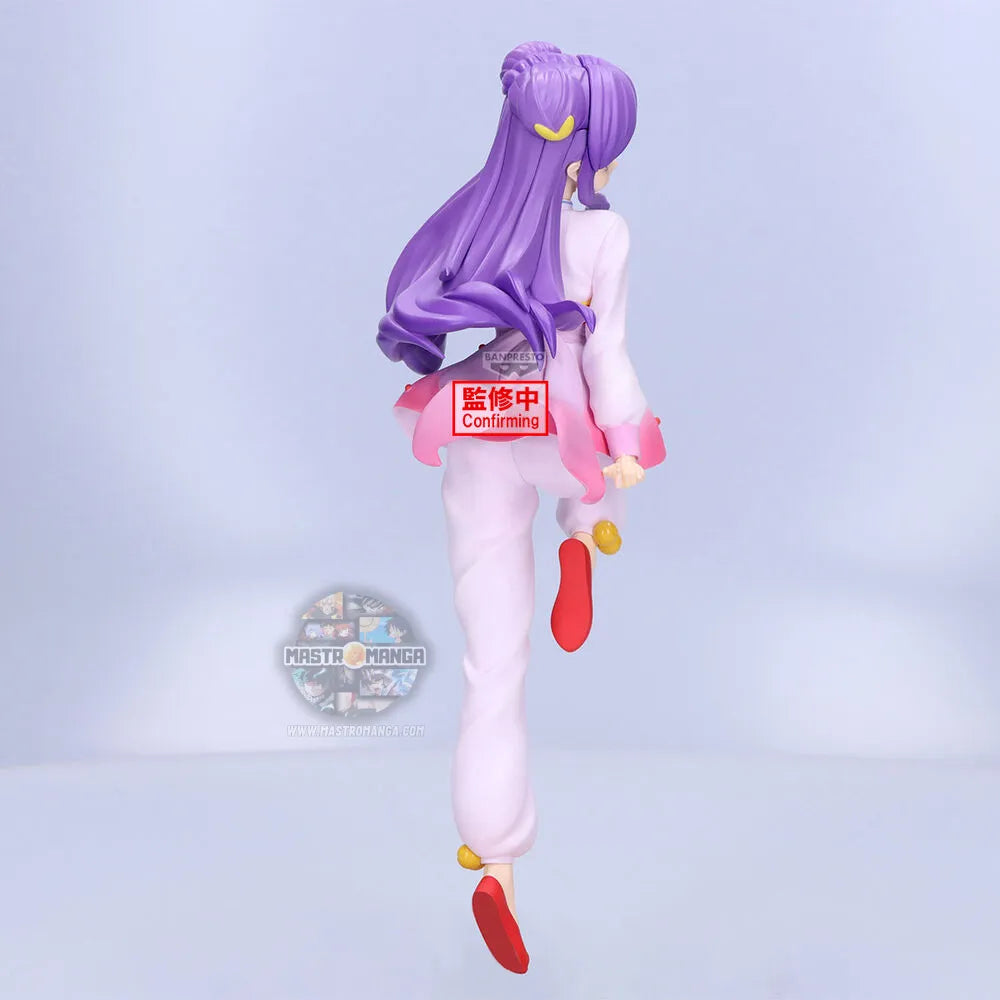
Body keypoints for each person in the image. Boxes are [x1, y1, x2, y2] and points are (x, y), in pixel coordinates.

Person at [376, 41, 665, 974]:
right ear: (586, 155)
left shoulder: (476, 221)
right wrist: (628, 446)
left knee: (492, 665)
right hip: (558, 424)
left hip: (471, 419)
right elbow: (607, 358)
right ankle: (585, 533)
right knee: (605, 464)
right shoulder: (601, 237)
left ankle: (492, 858)